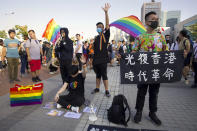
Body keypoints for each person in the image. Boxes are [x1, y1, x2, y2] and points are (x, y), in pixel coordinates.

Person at [132, 11, 168, 126]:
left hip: (156, 71)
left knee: (154, 93)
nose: (156, 21)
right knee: (141, 92)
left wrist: (182, 55)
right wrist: (126, 56)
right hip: (143, 70)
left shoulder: (161, 37)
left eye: (157, 19)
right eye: (153, 19)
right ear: (147, 22)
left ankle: (152, 113)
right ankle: (139, 111)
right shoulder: (140, 37)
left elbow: (166, 53)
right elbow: (134, 52)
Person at [91, 3, 111, 97]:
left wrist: (106, 13)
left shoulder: (105, 36)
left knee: (104, 75)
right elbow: (94, 49)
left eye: (100, 27)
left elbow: (107, 24)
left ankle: (107, 90)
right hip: (96, 60)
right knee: (97, 75)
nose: (98, 28)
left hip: (103, 59)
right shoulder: (96, 38)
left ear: (103, 28)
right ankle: (97, 88)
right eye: (97, 27)